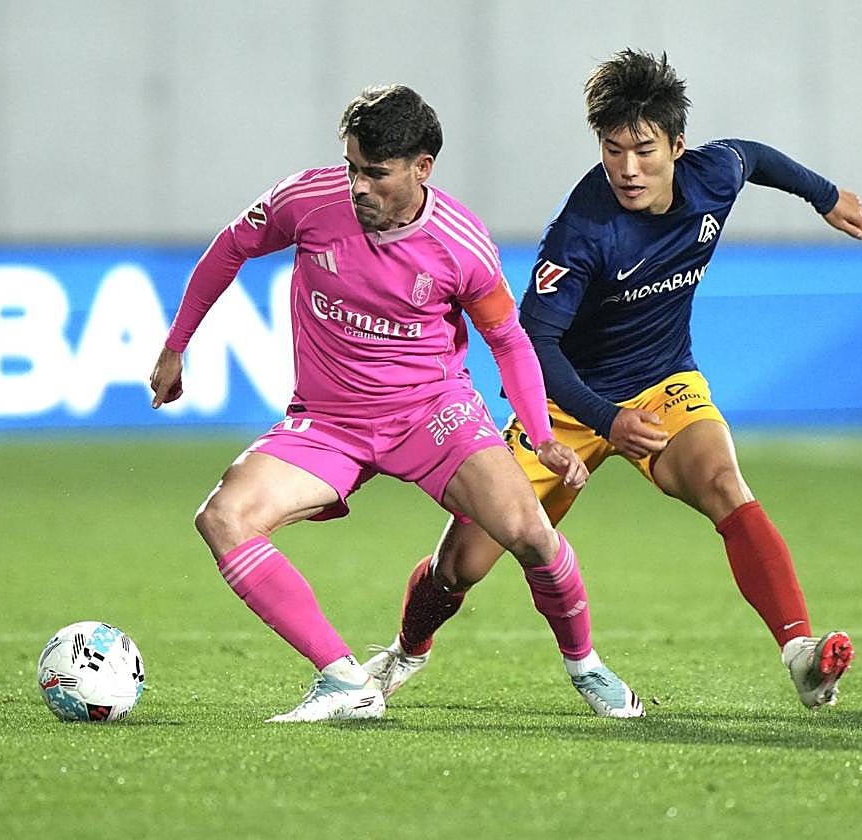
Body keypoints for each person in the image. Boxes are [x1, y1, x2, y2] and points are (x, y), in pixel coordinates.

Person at [364, 50, 862, 710]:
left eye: (645, 149)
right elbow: (534, 343)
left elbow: (754, 156)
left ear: (678, 146)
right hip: (567, 405)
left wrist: (824, 195)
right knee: (463, 563)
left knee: (723, 482)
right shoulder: (582, 231)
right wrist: (604, 418)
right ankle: (406, 650)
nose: (628, 169)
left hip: (663, 382)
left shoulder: (715, 175)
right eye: (612, 150)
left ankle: (802, 654)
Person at [148, 84, 644, 723]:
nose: (358, 187)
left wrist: (543, 432)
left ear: (421, 168)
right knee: (223, 518)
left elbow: (509, 339)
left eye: (376, 174)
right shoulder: (308, 200)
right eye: (353, 167)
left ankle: (586, 666)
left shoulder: (460, 242)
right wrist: (175, 345)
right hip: (328, 422)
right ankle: (343, 680)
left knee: (530, 533)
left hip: (431, 415)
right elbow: (230, 247)